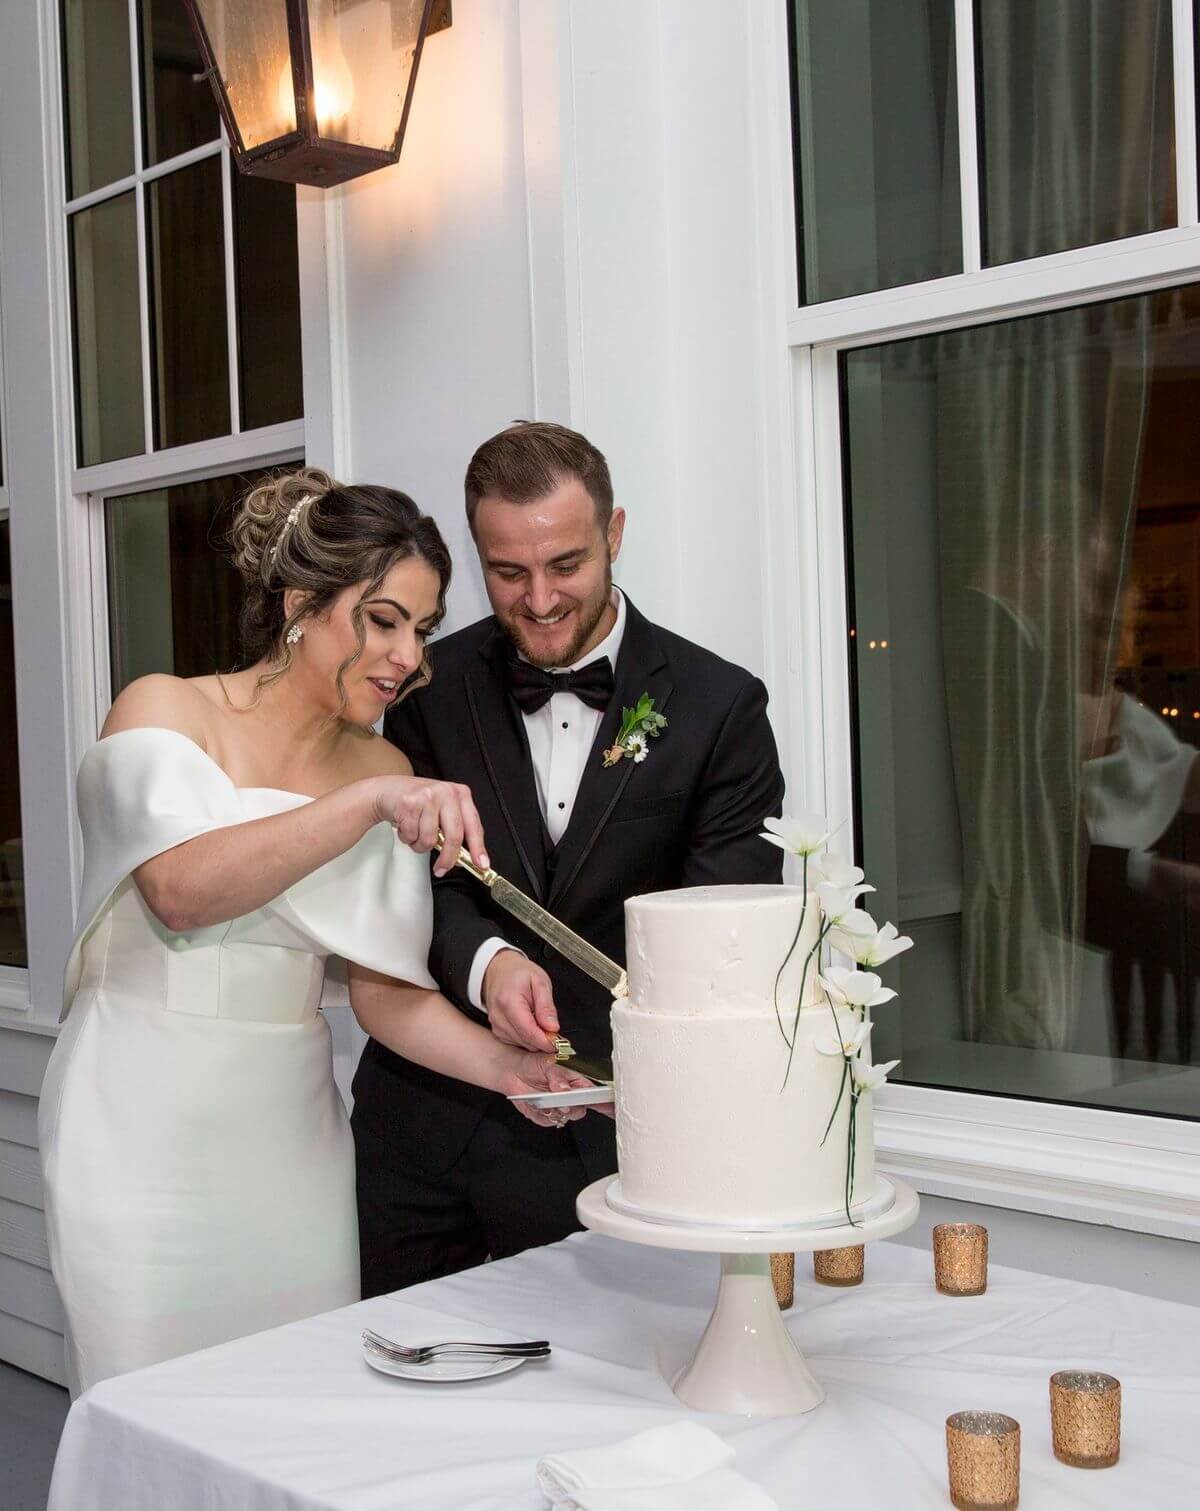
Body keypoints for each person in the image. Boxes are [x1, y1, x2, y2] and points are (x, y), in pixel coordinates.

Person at [38, 468, 592, 1398]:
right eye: (381, 619)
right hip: (136, 1127)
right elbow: (180, 889)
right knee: (147, 1404)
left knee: (295, 1406)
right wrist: (368, 804)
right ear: (300, 605)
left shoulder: (381, 758)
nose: (407, 655)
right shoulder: (164, 710)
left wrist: (512, 1071)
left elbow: (381, 988)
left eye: (421, 627)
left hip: (289, 1142)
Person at [352, 421, 786, 1296]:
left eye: (567, 565)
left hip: (609, 1138)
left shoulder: (719, 706)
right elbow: (401, 891)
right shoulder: (426, 688)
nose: (540, 598)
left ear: (615, 533)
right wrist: (487, 963)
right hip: (422, 1132)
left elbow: (721, 933)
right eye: (508, 572)